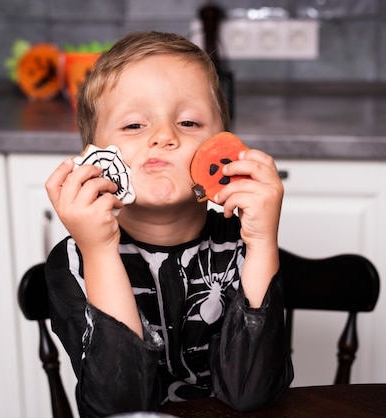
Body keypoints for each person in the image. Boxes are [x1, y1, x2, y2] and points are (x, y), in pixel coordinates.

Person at [44, 31, 294, 417]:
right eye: (133, 126)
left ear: (223, 146)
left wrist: (262, 243)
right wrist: (98, 252)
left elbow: (250, 394)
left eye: (189, 122)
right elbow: (121, 408)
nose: (164, 136)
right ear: (94, 157)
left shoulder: (243, 247)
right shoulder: (74, 260)